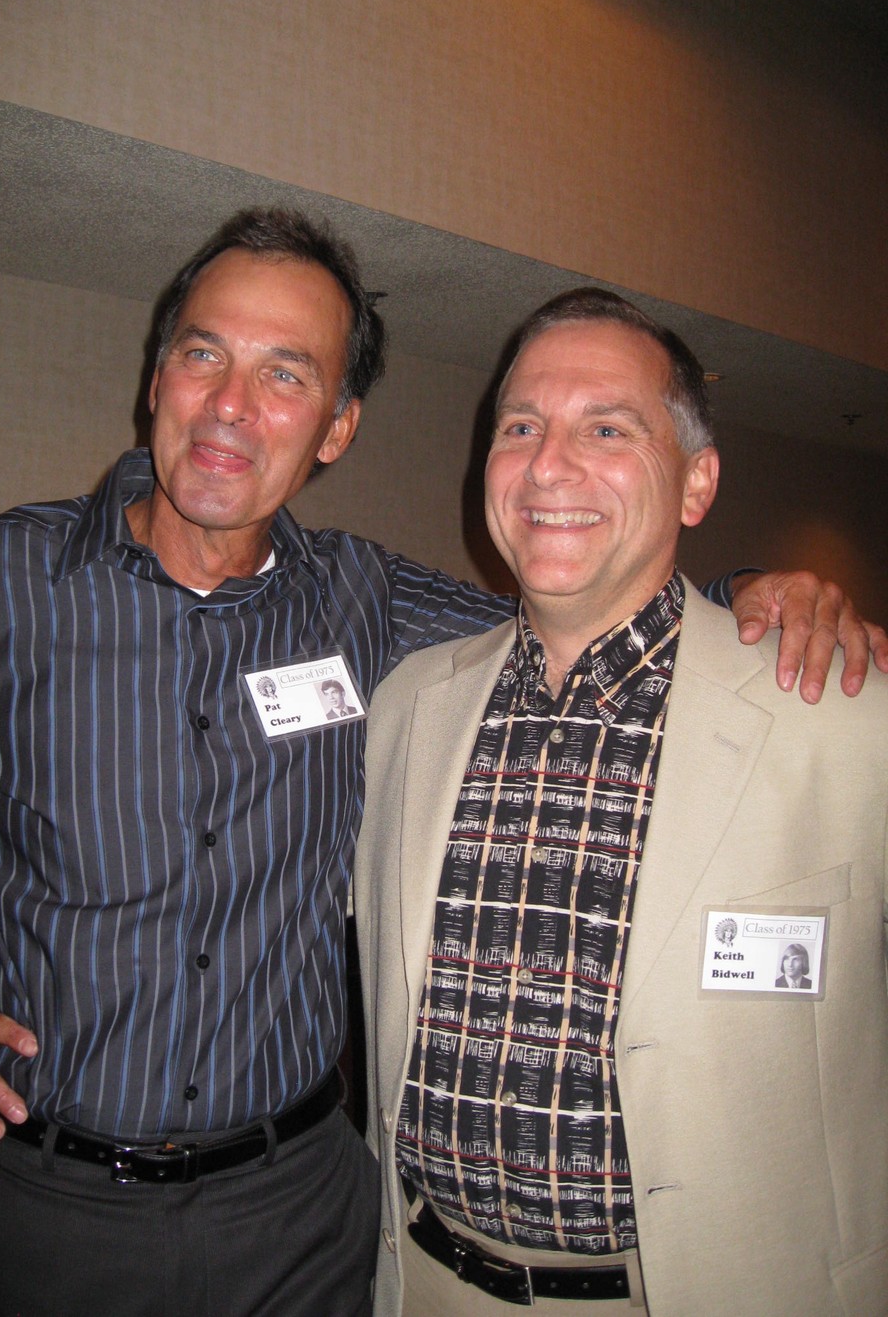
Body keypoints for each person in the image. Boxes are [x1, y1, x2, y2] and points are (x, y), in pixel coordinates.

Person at [0, 213, 883, 1314]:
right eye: (205, 353)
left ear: (337, 427)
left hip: (302, 1218)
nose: (231, 404)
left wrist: (750, 598)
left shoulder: (366, 605)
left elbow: (569, 606)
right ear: (157, 375)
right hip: (40, 1205)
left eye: (285, 374)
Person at [352, 288, 888, 1316]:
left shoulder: (845, 714)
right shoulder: (407, 705)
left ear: (696, 482)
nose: (549, 465)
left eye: (607, 429)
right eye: (520, 427)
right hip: (424, 1281)